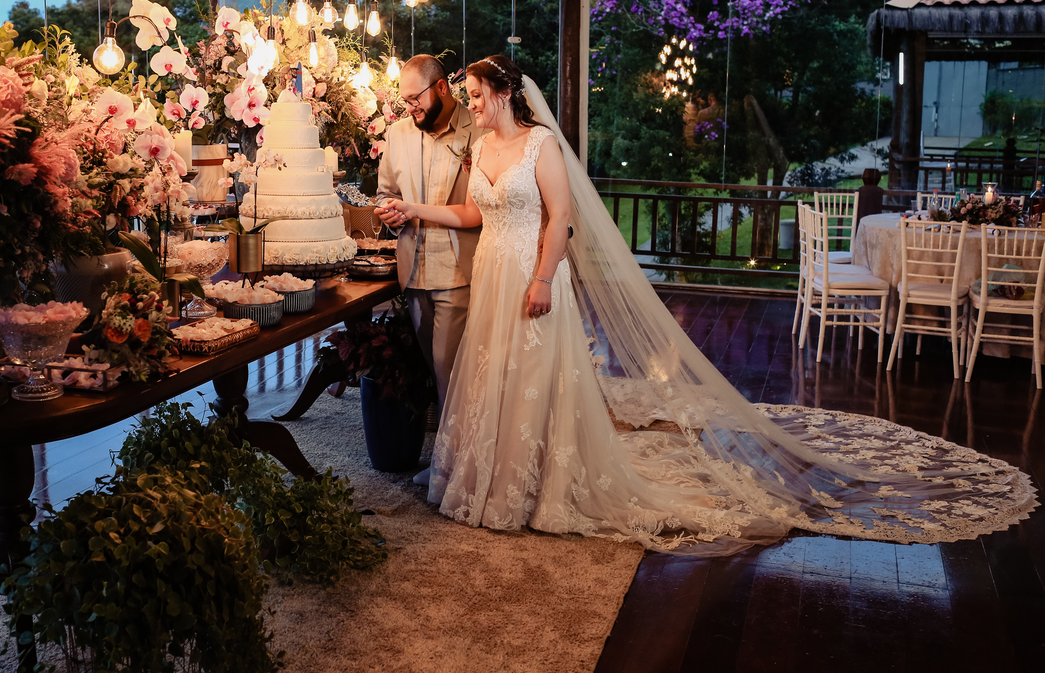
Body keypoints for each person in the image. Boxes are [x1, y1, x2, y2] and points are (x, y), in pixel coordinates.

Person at [380, 55, 1035, 556]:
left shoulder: (540, 145)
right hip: (491, 273)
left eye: (474, 95)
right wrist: (412, 209)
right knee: (488, 379)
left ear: (501, 95)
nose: (469, 104)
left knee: (530, 384)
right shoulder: (482, 148)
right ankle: (483, 484)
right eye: (464, 96)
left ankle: (533, 488)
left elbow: (562, 216)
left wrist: (546, 277)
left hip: (530, 274)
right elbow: (470, 211)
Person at [375, 55, 484, 431]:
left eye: (415, 98)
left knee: (449, 369)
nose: (410, 108)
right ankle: (452, 457)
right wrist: (388, 216)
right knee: (436, 371)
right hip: (413, 272)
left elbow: (487, 207)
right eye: (404, 101)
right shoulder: (398, 134)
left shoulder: (479, 130)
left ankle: (457, 466)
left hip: (459, 270)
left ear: (441, 87)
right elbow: (384, 193)